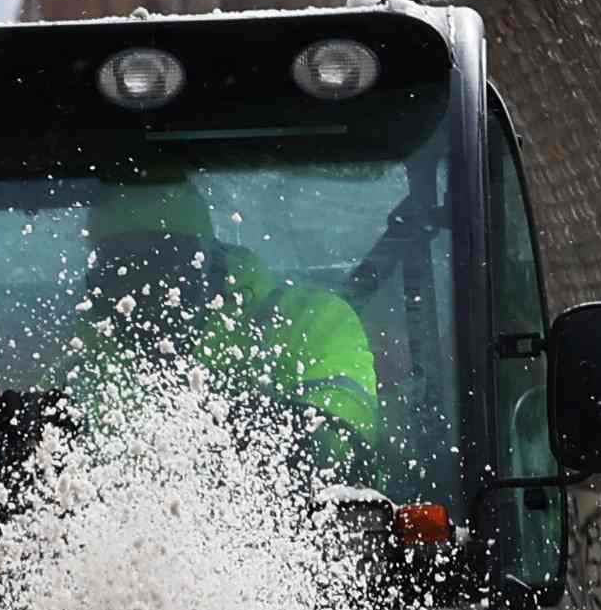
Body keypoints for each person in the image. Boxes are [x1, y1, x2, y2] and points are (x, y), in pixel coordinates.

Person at [76, 178, 390, 473]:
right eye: (122, 269)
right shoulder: (86, 365)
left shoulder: (309, 322)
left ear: (210, 268)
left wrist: (262, 427)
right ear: (96, 285)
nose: (147, 289)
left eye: (164, 265)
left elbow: (345, 440)